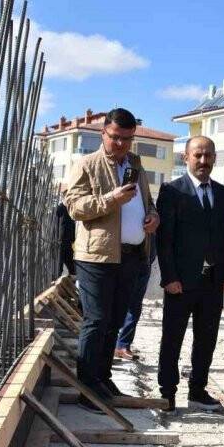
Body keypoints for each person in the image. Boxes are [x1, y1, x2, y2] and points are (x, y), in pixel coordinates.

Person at [64, 108, 159, 411]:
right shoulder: (86, 164)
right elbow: (75, 208)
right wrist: (111, 200)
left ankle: (102, 379)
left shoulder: (135, 165)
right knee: (96, 320)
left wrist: (153, 216)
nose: (120, 144)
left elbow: (148, 200)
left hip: (130, 256)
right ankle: (87, 388)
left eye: (127, 139)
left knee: (115, 321)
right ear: (103, 133)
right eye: (115, 137)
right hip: (97, 257)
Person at [156, 136, 224, 413]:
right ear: (186, 158)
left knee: (207, 338)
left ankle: (198, 391)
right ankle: (167, 392)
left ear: (215, 158)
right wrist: (169, 277)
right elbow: (164, 240)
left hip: (212, 282)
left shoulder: (223, 193)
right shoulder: (171, 191)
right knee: (172, 338)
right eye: (198, 156)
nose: (203, 161)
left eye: (208, 156)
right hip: (180, 282)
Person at [113, 241, 155, 361]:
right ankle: (110, 345)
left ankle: (123, 344)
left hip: (144, 255)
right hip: (119, 253)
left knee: (135, 304)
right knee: (116, 302)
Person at [55, 197, 76, 276]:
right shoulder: (61, 208)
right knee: (62, 261)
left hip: (66, 239)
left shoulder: (69, 209)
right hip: (61, 239)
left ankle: (71, 275)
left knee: (68, 261)